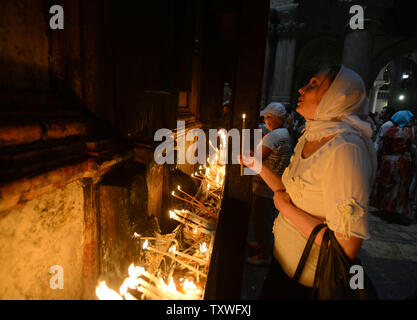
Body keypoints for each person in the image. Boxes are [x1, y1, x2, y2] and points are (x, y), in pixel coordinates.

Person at [241, 65, 376, 299]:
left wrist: (285, 209)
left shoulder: (345, 149)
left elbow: (346, 248)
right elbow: (288, 191)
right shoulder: (310, 136)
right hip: (284, 269)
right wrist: (255, 163)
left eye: (314, 84)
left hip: (309, 286)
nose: (302, 89)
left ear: (339, 95)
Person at [248, 103, 293, 265]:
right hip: (273, 184)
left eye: (268, 117)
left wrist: (247, 157)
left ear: (277, 119)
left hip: (265, 185)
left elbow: (257, 161)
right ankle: (263, 244)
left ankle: (264, 254)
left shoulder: (274, 136)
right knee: (266, 218)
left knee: (260, 220)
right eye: (265, 117)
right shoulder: (283, 133)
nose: (265, 120)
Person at [371, 110, 416, 225]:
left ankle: (385, 209)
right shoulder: (411, 132)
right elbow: (413, 148)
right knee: (400, 188)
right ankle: (396, 211)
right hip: (402, 163)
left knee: (387, 186)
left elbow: (381, 146)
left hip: (387, 161)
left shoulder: (389, 130)